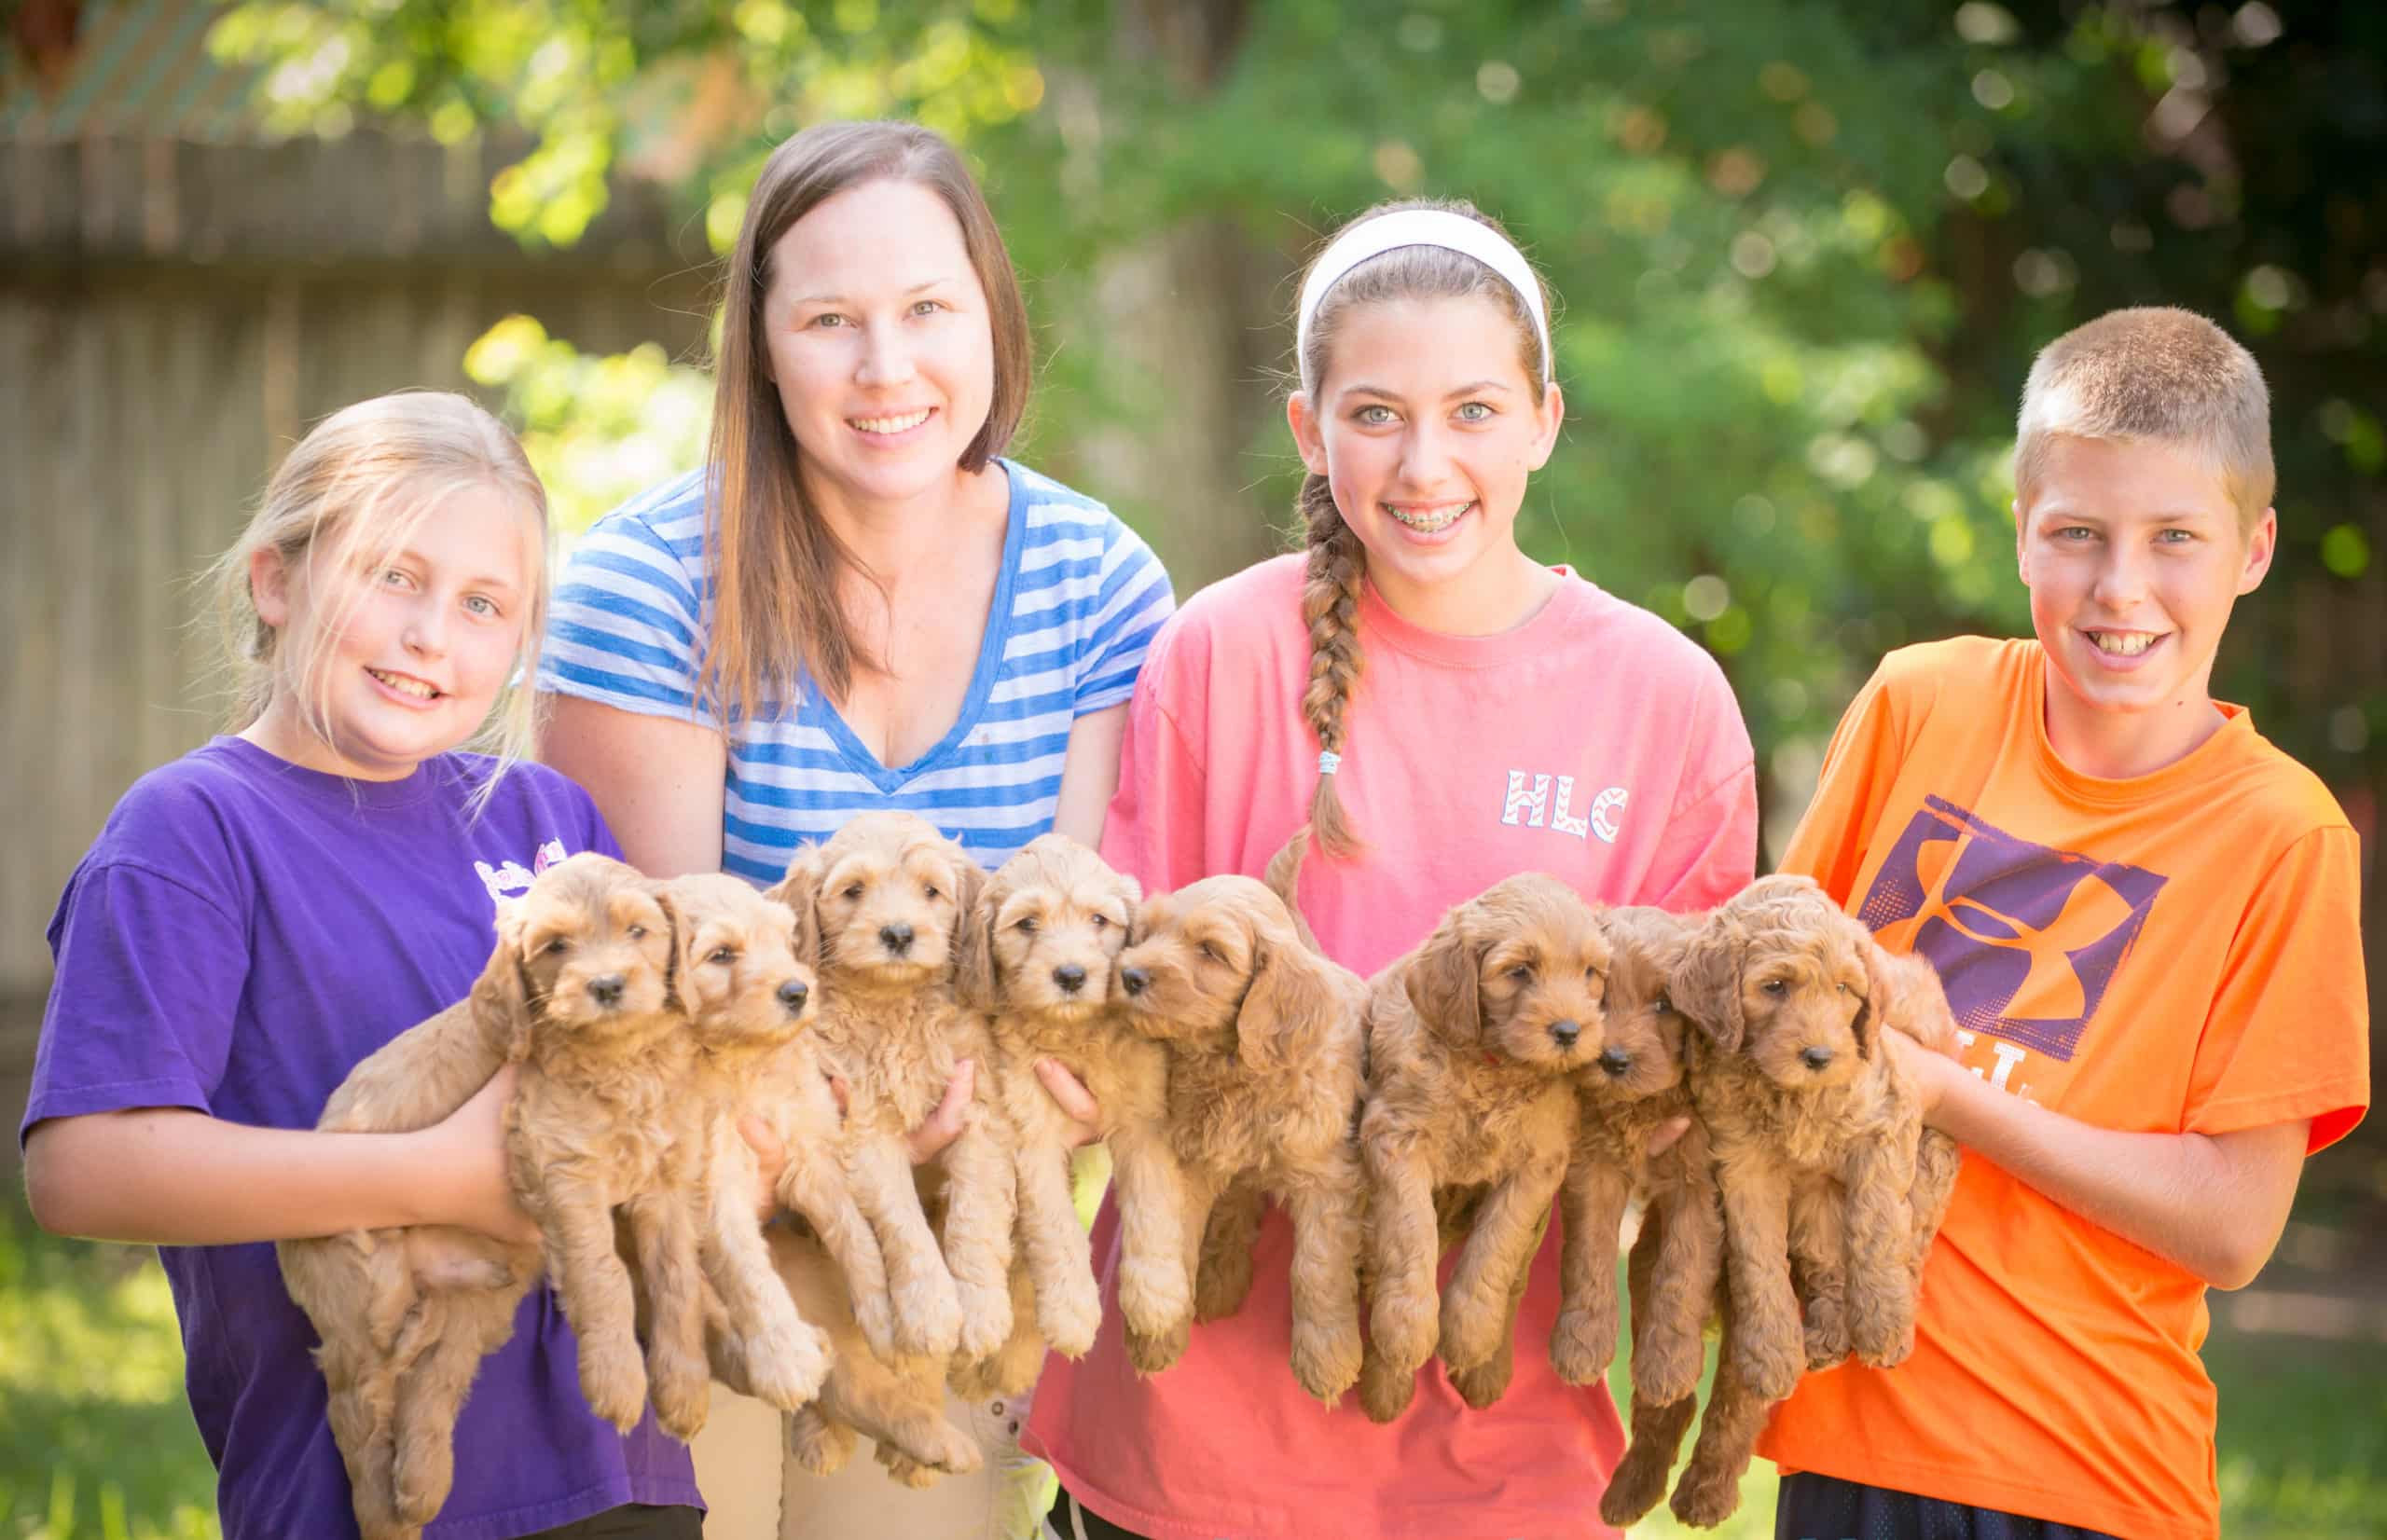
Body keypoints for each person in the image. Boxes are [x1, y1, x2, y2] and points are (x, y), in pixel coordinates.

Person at [1026, 199, 1759, 1540]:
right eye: (1375, 414)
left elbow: (1674, 1080)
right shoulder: (1221, 654)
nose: (1426, 464)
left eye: (1475, 410)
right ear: (1310, 429)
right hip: (1201, 1434)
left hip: (1505, 1444)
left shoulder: (1665, 700)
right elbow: (1117, 1011)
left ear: (1545, 417)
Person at [535, 119, 1172, 1539]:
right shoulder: (646, 586)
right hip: (699, 1198)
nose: (888, 370)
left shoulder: (1095, 584)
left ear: (994, 322)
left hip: (964, 1209)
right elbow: (651, 998)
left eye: (929, 311)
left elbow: (1064, 1006)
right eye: (831, 320)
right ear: (761, 346)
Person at [20, 392, 704, 1539]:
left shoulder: (547, 816)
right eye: (393, 575)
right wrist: (437, 1172)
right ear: (277, 581)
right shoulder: (193, 831)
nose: (432, 632)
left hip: (622, 1467)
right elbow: (82, 1167)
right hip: (375, 1484)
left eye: (484, 603)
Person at [1759, 307, 2370, 1540]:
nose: (2120, 588)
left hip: (2084, 1469)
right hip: (1847, 1432)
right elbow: (1777, 1006)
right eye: (2078, 535)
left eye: (2175, 540)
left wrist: (1943, 1093)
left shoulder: (2283, 835)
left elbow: (2234, 1226)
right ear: (2023, 534)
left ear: (2253, 549)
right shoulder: (1916, 703)